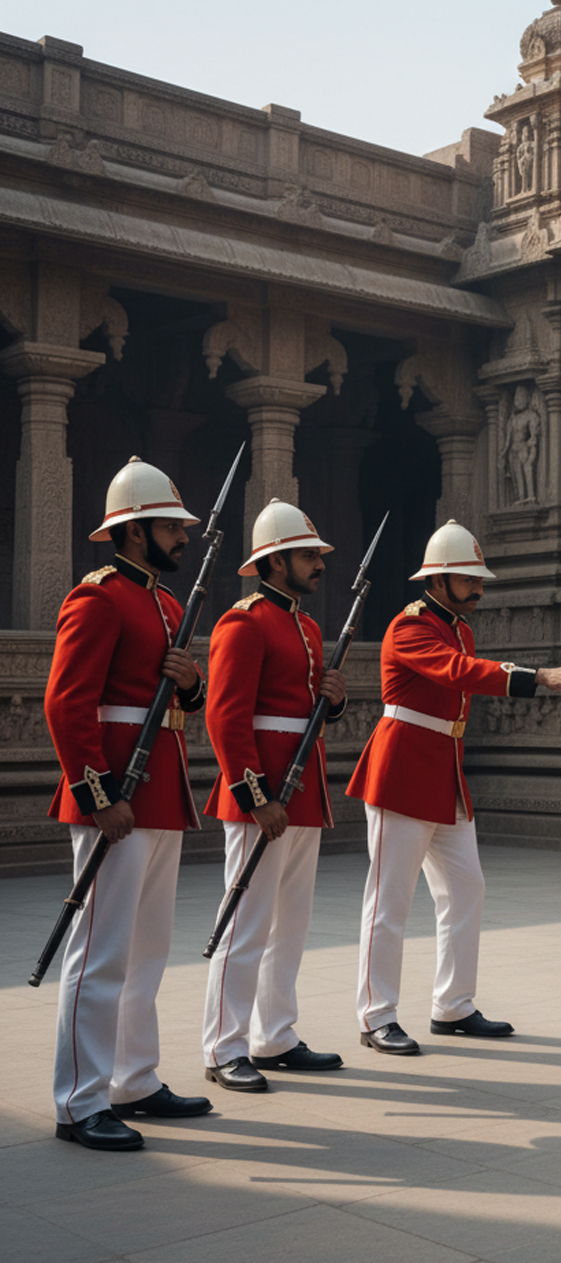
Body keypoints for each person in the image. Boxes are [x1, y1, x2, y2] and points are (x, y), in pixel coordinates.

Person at [348, 521, 561, 1055]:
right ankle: (376, 1016)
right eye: (466, 579)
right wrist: (539, 676)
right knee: (389, 902)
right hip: (403, 769)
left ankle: (453, 1005)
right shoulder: (409, 626)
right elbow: (458, 672)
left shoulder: (459, 625)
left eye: (478, 578)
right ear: (437, 582)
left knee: (466, 890)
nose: (477, 588)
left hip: (442, 770)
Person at [44, 457, 212, 1150]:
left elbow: (175, 701)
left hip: (160, 787)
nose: (184, 537)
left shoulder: (169, 604)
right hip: (114, 790)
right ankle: (80, 1100)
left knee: (147, 950)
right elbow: (66, 702)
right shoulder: (100, 597)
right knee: (101, 952)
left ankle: (134, 1079)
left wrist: (192, 684)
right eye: (173, 527)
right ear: (138, 532)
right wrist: (96, 792)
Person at [201, 500, 348, 1092]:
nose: (319, 565)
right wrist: (254, 793)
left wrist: (331, 700)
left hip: (301, 785)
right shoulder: (243, 621)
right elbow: (225, 718)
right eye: (309, 555)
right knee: (246, 923)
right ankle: (223, 1045)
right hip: (262, 790)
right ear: (274, 560)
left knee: (291, 924)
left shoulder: (306, 625)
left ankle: (275, 1034)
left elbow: (305, 711)